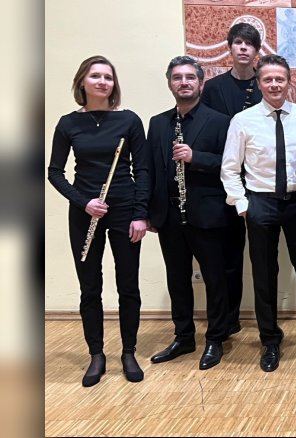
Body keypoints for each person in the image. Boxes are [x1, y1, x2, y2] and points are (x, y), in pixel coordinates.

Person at [220, 54, 296, 373]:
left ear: (288, 82)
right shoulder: (244, 121)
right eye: (267, 80)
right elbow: (230, 168)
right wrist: (242, 205)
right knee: (264, 275)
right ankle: (270, 339)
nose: (274, 84)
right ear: (259, 84)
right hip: (261, 203)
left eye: (279, 79)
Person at [48, 55, 150, 386]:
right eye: (95, 76)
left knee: (128, 285)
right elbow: (55, 172)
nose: (103, 81)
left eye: (108, 77)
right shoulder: (68, 123)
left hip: (124, 208)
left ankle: (129, 352)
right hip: (85, 210)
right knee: (90, 286)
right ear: (82, 82)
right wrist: (84, 202)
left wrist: (140, 214)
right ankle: (96, 354)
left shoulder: (129, 120)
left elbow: (143, 170)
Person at [146, 56, 234, 370]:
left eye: (190, 77)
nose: (184, 82)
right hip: (169, 215)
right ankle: (184, 336)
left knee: (214, 279)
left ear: (200, 82)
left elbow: (231, 164)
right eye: (177, 78)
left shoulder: (220, 120)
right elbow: (148, 169)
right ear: (170, 83)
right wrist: (148, 212)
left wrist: (197, 157)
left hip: (207, 213)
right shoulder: (158, 122)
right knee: (177, 279)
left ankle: (216, 338)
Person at [202, 22, 264, 336]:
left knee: (256, 255)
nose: (242, 48)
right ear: (230, 47)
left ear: (256, 51)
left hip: (258, 182)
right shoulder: (212, 89)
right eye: (237, 42)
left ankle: (239, 315)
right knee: (227, 254)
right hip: (223, 180)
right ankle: (226, 319)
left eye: (249, 44)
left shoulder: (265, 84)